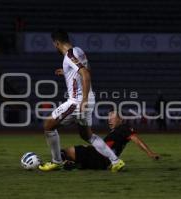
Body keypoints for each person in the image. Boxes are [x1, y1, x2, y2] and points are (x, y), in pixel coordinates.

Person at [39, 29, 124, 172]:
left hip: (78, 101)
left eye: (54, 45)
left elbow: (85, 74)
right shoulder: (78, 50)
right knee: (87, 135)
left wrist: (83, 100)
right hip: (89, 98)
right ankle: (116, 161)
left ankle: (57, 161)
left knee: (48, 125)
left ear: (56, 43)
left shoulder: (69, 55)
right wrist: (66, 71)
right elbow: (87, 69)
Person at [61, 111, 160, 170]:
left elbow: (136, 139)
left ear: (120, 119)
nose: (109, 120)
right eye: (109, 118)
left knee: (65, 152)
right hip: (102, 161)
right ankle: (72, 164)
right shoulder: (116, 131)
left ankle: (59, 163)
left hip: (99, 156)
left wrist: (149, 153)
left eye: (112, 118)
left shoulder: (124, 128)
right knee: (71, 158)